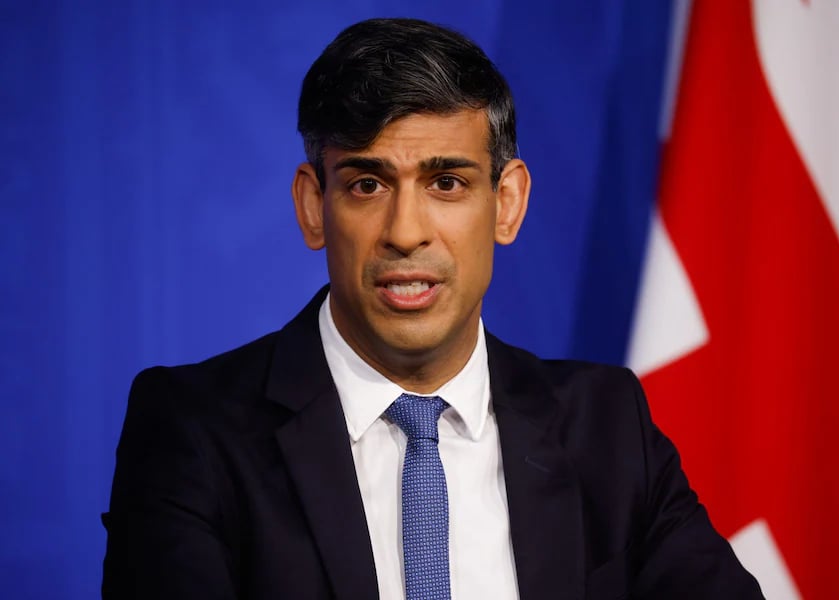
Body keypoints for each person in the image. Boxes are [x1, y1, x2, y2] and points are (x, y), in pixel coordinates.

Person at [102, 17, 763, 600]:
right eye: (367, 184)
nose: (406, 231)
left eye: (447, 183)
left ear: (506, 203)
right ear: (313, 205)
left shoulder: (606, 425)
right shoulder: (194, 432)